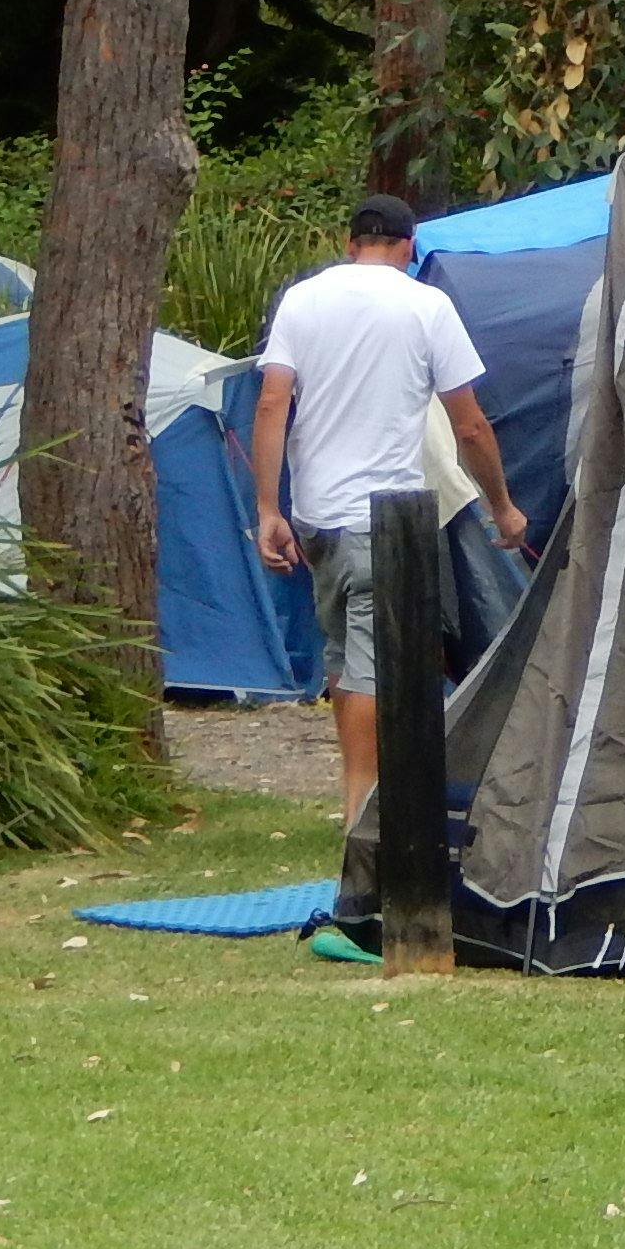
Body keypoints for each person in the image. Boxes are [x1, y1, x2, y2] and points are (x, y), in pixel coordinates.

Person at [251, 195, 527, 827]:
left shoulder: (302, 299)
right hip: (387, 521)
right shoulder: (427, 305)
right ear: (408, 247)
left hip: (317, 517)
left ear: (351, 244)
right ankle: (364, 816)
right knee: (378, 669)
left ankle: (363, 800)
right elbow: (470, 426)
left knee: (344, 658)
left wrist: (268, 507)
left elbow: (271, 403)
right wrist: (503, 507)